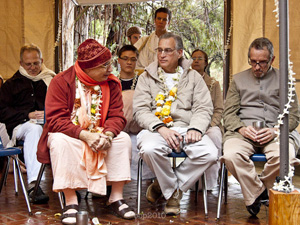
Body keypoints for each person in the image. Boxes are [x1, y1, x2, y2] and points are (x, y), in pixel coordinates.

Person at [37, 39, 135, 224]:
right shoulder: (61, 82)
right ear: (88, 69)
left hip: (101, 134)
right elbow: (56, 120)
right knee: (58, 141)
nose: (110, 70)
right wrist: (85, 135)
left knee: (123, 140)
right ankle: (71, 201)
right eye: (104, 66)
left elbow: (117, 116)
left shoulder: (112, 83)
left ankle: (116, 198)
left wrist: (108, 134)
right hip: (72, 134)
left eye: (109, 64)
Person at [133, 32, 218, 215]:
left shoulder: (194, 77)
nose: (162, 54)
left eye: (168, 50)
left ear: (179, 53)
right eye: (159, 50)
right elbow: (140, 110)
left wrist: (196, 128)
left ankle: (164, 187)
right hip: (156, 129)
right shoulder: (146, 77)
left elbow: (204, 107)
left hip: (187, 128)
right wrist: (161, 128)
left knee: (210, 154)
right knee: (148, 149)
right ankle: (174, 192)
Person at [222, 37, 300, 216]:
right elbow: (228, 114)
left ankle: (256, 193)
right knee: (231, 155)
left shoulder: (285, 79)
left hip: (276, 132)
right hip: (243, 133)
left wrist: (275, 130)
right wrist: (241, 128)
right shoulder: (238, 80)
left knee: (285, 157)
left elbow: (294, 114)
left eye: (262, 62)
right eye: (253, 61)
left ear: (272, 59)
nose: (257, 67)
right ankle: (261, 193)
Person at [0, 44, 55, 203]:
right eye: (28, 64)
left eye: (36, 63)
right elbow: (2, 112)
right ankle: (34, 184)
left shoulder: (49, 80)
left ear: (42, 61)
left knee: (64, 135)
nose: (32, 67)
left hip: (49, 124)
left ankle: (68, 185)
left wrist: (49, 114)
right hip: (21, 126)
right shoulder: (11, 85)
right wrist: (27, 115)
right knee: (33, 129)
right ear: (21, 63)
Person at [117, 45, 155, 180]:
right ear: (118, 60)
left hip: (138, 129)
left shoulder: (144, 81)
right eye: (125, 59)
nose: (129, 62)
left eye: (133, 59)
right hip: (116, 129)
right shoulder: (111, 81)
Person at [191, 49, 223, 190]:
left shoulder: (213, 84)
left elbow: (219, 109)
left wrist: (209, 125)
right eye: (193, 58)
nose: (196, 61)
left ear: (206, 62)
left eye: (199, 58)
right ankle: (190, 182)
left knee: (215, 135)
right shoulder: (183, 81)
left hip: (210, 125)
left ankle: (210, 183)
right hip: (189, 125)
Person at [134, 7, 171, 72]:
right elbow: (131, 56)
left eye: (164, 19)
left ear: (168, 22)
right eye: (159, 18)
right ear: (155, 20)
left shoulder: (174, 41)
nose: (161, 21)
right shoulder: (144, 41)